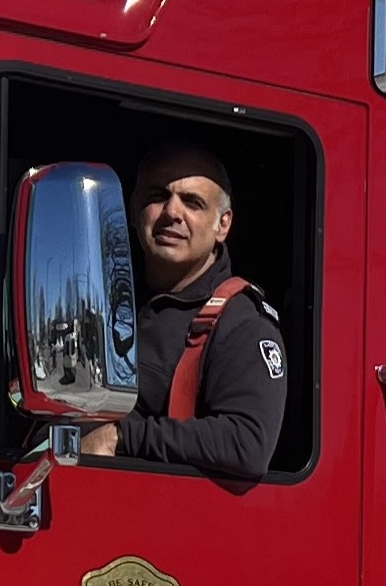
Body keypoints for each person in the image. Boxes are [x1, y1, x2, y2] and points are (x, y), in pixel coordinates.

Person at [76, 142, 287, 482]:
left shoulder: (241, 321)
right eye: (158, 195)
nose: (172, 212)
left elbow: (246, 443)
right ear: (133, 209)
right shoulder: (96, 291)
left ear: (223, 225)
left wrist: (122, 436)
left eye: (193, 202)